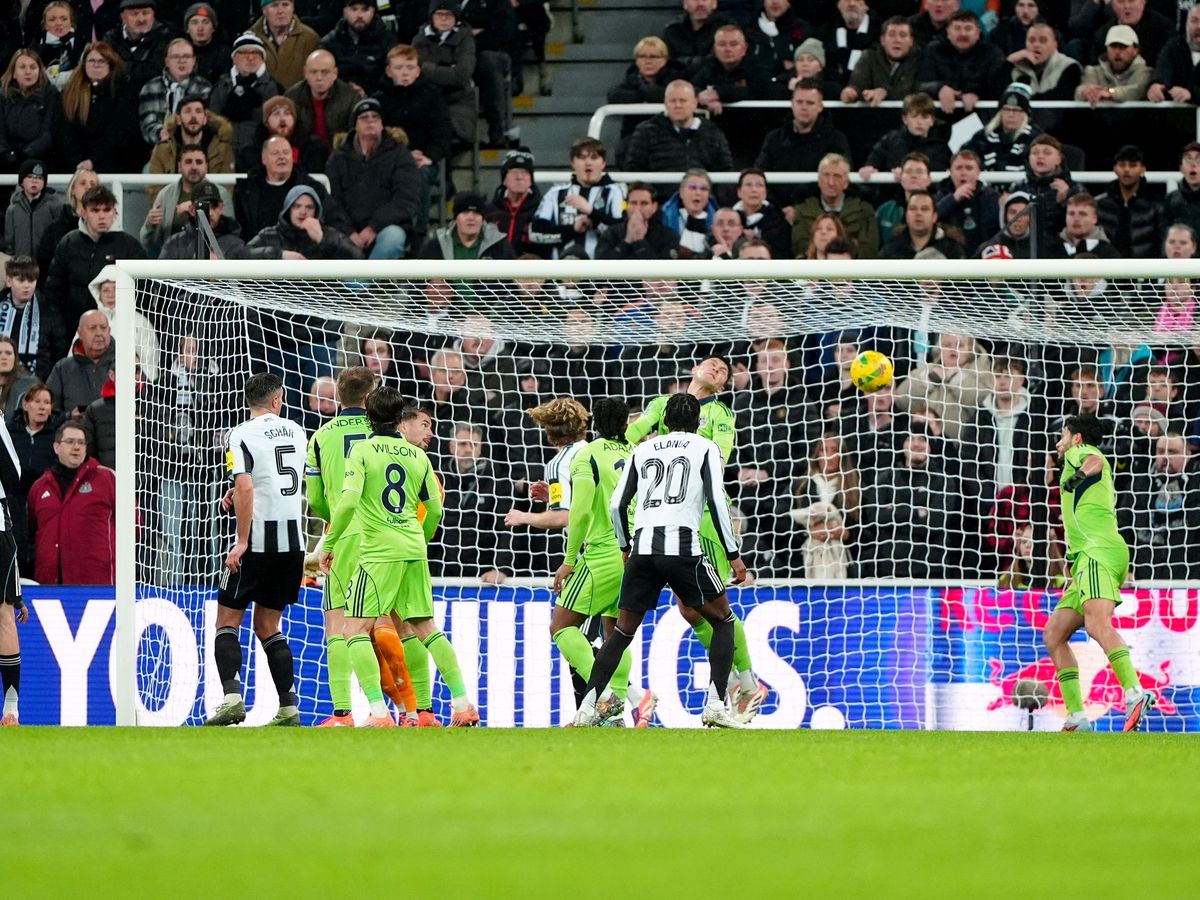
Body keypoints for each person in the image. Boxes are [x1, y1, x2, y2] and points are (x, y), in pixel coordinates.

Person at [574, 392, 747, 729]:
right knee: (723, 620)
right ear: (698, 423)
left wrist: (625, 546)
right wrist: (733, 554)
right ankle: (715, 705)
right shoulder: (706, 448)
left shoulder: (643, 448)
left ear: (665, 421)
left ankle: (587, 708)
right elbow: (716, 500)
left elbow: (617, 504)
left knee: (622, 631)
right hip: (682, 544)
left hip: (643, 545)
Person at [319, 385, 481, 727]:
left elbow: (347, 503)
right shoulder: (418, 457)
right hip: (413, 549)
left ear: (368, 416)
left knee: (354, 630)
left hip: (378, 552)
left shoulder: (362, 452)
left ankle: (379, 713)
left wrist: (330, 543)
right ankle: (462, 704)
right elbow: (435, 509)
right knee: (426, 628)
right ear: (398, 420)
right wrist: (419, 540)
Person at [626, 355, 767, 723]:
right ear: (693, 370)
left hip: (704, 518)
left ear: (722, 387)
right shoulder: (661, 406)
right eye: (712, 365)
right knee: (689, 607)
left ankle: (748, 682)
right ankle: (739, 680)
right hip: (666, 518)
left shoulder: (721, 415)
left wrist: (669, 445)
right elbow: (627, 440)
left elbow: (717, 461)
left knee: (714, 604)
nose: (717, 370)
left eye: (724, 372)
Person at [1042, 413, 1157, 732]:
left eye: (1063, 435)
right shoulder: (1072, 457)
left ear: (1077, 438)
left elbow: (1092, 462)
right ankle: (1078, 717)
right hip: (1088, 559)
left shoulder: (1082, 453)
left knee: (1096, 623)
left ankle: (1134, 692)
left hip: (1097, 552)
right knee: (1054, 634)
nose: (1058, 442)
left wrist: (1074, 478)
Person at [203, 373, 306, 726]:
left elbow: (246, 487)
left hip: (258, 543)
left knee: (227, 619)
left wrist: (241, 540)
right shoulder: (297, 430)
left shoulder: (240, 434)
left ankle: (232, 697)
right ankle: (288, 706)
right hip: (292, 544)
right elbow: (275, 481)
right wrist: (242, 491)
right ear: (278, 400)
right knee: (268, 623)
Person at [550, 397, 658, 727]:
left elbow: (579, 513)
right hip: (637, 554)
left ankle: (608, 696)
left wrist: (569, 560)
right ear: (626, 424)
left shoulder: (587, 456)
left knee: (562, 626)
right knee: (615, 633)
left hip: (602, 554)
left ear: (594, 421)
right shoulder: (634, 453)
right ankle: (616, 713)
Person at [304, 365, 381, 726]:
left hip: (343, 536)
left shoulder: (320, 437)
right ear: (369, 398)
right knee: (389, 624)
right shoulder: (382, 433)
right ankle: (413, 711)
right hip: (384, 535)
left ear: (338, 396)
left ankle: (343, 713)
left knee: (337, 624)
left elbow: (315, 498)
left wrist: (335, 516)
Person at [44, 185, 145, 357]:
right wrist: (61, 336)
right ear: (83, 211)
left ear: (115, 212)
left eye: (106, 210)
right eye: (95, 210)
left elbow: (144, 293)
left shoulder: (129, 247)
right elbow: (54, 294)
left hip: (119, 338)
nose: (102, 216)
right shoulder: (68, 244)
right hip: (70, 335)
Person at [325, 97, 419, 260]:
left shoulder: (400, 155)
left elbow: (405, 200)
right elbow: (333, 202)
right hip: (347, 230)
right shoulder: (338, 158)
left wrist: (374, 227)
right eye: (364, 117)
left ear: (382, 124)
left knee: (393, 238)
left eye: (375, 117)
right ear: (355, 125)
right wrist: (350, 232)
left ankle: (363, 284)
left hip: (387, 228)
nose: (370, 121)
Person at [374, 44, 452, 234]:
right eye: (399, 68)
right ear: (389, 71)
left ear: (418, 71)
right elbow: (374, 136)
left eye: (410, 67)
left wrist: (429, 157)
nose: (405, 73)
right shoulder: (378, 99)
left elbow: (443, 134)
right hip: (387, 159)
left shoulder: (432, 95)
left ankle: (418, 233)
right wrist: (402, 157)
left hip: (423, 160)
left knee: (419, 175)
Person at [27, 421, 116, 585]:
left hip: (99, 585)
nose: (77, 447)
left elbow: (135, 525)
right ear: (56, 447)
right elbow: (33, 530)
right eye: (70, 441)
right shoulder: (39, 487)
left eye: (81, 442)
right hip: (50, 588)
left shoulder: (107, 479)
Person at [529, 137, 625, 260]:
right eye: (582, 157)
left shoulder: (616, 191)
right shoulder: (556, 193)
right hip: (561, 274)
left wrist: (592, 212)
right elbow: (535, 232)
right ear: (573, 163)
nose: (588, 162)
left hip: (602, 274)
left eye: (594, 157)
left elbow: (623, 232)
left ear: (603, 163)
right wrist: (572, 229)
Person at [60, 41, 144, 172]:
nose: (96, 65)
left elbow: (120, 131)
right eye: (91, 61)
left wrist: (94, 160)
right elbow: (65, 132)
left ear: (111, 65)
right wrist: (78, 162)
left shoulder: (124, 91)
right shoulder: (70, 93)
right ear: (84, 65)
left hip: (115, 164)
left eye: (101, 61)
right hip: (76, 165)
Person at [621, 80, 733, 172]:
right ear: (665, 103)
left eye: (683, 101)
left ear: (694, 103)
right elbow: (633, 169)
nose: (678, 105)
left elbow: (725, 170)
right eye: (672, 101)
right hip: (660, 196)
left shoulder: (712, 132)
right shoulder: (646, 131)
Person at [142, 144, 235, 254]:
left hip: (210, 258)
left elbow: (231, 233)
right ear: (180, 166)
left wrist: (196, 210)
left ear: (206, 166)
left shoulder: (221, 194)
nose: (194, 167)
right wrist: (150, 225)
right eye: (188, 162)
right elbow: (147, 243)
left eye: (199, 162)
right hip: (172, 258)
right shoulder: (165, 194)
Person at [234, 134, 332, 238]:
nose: (282, 157)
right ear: (263, 159)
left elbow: (334, 217)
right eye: (275, 153)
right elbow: (239, 233)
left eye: (286, 152)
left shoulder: (313, 187)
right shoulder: (245, 191)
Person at [207, 32, 283, 162]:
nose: (250, 58)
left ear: (262, 58)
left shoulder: (272, 87)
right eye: (244, 53)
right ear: (234, 58)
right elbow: (213, 119)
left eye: (255, 53)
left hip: (257, 153)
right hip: (224, 152)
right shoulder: (222, 86)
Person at [412, 0, 478, 146]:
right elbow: (413, 73)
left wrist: (428, 69)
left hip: (458, 100)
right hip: (427, 99)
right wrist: (449, 70)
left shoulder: (465, 38)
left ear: (456, 18)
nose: (443, 18)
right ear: (431, 16)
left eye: (448, 15)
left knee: (446, 132)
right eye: (439, 14)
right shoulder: (419, 39)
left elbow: (462, 75)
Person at [917, 9, 1007, 114]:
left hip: (980, 117)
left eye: (968, 28)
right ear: (948, 32)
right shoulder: (933, 50)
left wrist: (978, 94)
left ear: (978, 32)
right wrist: (939, 88)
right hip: (938, 116)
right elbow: (919, 85)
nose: (963, 33)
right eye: (957, 28)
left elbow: (1000, 87)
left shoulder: (993, 53)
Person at [7, 382, 54, 575]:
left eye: (47, 402)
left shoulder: (56, 434)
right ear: (26, 405)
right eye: (37, 401)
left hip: (44, 498)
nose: (43, 406)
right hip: (13, 499)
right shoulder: (9, 432)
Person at [791, 153, 878, 259]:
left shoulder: (863, 210)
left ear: (846, 183)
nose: (831, 182)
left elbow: (868, 250)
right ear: (819, 180)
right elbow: (799, 244)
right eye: (826, 175)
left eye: (837, 176)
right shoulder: (803, 209)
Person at [245, 182, 360, 259]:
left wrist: (322, 239)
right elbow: (242, 254)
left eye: (309, 207)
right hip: (278, 294)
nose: (303, 212)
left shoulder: (328, 234)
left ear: (316, 211)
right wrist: (279, 255)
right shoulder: (269, 235)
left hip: (320, 294)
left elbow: (358, 257)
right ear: (288, 210)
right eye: (297, 206)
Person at [146, 96, 236, 192]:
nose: (193, 116)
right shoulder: (162, 149)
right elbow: (154, 189)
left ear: (205, 119)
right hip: (172, 204)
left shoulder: (222, 149)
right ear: (178, 119)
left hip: (210, 204)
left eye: (198, 111)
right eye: (188, 111)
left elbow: (227, 189)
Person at [607, 36, 687, 141]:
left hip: (670, 134)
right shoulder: (632, 78)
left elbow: (666, 95)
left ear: (665, 59)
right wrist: (644, 93)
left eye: (653, 56)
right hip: (634, 134)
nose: (648, 61)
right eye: (642, 56)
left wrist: (644, 93)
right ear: (636, 61)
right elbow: (614, 95)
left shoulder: (676, 77)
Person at [858, 92, 950, 182]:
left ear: (932, 121)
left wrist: (907, 173)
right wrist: (868, 168)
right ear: (905, 119)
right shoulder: (890, 140)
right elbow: (873, 162)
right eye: (914, 117)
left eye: (924, 117)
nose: (919, 122)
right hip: (892, 194)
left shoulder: (941, 147)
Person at [137, 36, 213, 145]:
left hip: (194, 148)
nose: (181, 61)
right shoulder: (150, 87)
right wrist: (163, 134)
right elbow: (148, 125)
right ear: (167, 61)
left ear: (194, 61)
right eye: (176, 57)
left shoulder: (204, 87)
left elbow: (205, 123)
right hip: (159, 148)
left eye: (186, 56)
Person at [0, 49, 62, 176]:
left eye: (33, 67)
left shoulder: (51, 95)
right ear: (13, 73)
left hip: (40, 161)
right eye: (22, 67)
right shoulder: (2, 96)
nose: (28, 72)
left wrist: (27, 154)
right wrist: (7, 154)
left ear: (40, 71)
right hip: (5, 162)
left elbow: (48, 132)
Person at [1094, 144, 1161, 259]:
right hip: (1108, 271)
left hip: (1144, 271)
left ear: (1142, 169)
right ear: (1114, 169)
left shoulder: (1155, 205)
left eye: (1133, 165)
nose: (1126, 170)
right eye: (1122, 165)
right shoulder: (1101, 204)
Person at [284, 48, 357, 154]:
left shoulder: (350, 97)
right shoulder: (292, 97)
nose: (319, 77)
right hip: (303, 156)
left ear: (335, 73)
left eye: (325, 72)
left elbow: (354, 136)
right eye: (313, 72)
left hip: (339, 156)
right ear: (305, 73)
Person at [841, 15, 921, 106]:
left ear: (911, 41)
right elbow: (858, 84)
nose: (897, 40)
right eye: (891, 35)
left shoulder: (919, 59)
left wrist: (885, 92)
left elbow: (913, 89)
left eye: (903, 35)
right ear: (882, 40)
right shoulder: (869, 57)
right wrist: (852, 91)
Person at [159, 180, 250, 259]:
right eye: (202, 207)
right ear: (191, 210)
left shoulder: (237, 245)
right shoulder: (174, 243)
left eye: (214, 206)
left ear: (221, 208)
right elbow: (157, 277)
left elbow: (244, 279)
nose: (209, 213)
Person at [0, 256, 56, 381]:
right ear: (9, 281)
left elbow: (57, 351)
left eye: (31, 281)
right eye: (21, 280)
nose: (27, 286)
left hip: (36, 383)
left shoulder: (49, 311)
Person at [965, 81, 1041, 173]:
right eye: (1006, 109)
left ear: (1025, 114)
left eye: (1016, 110)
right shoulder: (983, 136)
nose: (1011, 114)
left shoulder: (1036, 138)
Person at [935, 148, 1000, 256]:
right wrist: (953, 199)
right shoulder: (940, 196)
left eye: (969, 168)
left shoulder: (990, 197)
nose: (963, 173)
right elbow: (930, 218)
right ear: (950, 172)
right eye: (958, 168)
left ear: (978, 172)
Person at [319, 0, 391, 96]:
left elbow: (392, 76)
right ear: (345, 12)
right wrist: (346, 87)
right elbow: (321, 75)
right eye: (354, 9)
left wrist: (368, 91)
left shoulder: (386, 40)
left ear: (373, 11)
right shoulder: (330, 42)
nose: (359, 15)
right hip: (338, 98)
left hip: (377, 100)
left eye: (365, 10)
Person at [417, 190, 515, 260]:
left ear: (483, 218)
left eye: (476, 213)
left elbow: (512, 285)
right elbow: (418, 283)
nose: (471, 218)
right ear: (455, 218)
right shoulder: (436, 245)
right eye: (465, 213)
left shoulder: (499, 245)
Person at [102, 0, 173, 92]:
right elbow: (106, 69)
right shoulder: (111, 38)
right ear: (123, 17)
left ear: (153, 15)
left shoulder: (165, 37)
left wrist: (120, 66)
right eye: (134, 14)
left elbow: (155, 71)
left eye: (145, 13)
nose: (141, 19)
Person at [596, 181, 678, 260]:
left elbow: (663, 271)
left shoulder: (668, 236)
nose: (637, 208)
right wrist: (627, 241)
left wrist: (640, 242)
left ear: (654, 207)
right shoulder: (611, 233)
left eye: (644, 203)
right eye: (633, 203)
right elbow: (601, 268)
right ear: (627, 206)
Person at [250, 0, 321, 90]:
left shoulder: (310, 39)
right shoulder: (250, 38)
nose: (280, 11)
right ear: (264, 10)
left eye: (285, 5)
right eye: (274, 5)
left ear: (293, 8)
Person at [3, 160, 64, 261]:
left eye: (39, 178)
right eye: (29, 177)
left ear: (44, 183)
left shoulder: (54, 206)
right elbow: (9, 242)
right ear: (22, 181)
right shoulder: (13, 209)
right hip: (21, 266)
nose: (34, 181)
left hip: (46, 265)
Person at [1075, 24, 1150, 107]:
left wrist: (1110, 92)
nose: (1117, 52)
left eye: (1123, 47)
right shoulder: (1093, 71)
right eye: (1113, 46)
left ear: (1135, 50)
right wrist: (1086, 92)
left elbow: (1138, 90)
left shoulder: (1144, 72)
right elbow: (1079, 91)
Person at [485, 149, 542, 257]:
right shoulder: (490, 211)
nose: (519, 177)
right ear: (504, 180)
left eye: (524, 172)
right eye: (514, 172)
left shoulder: (542, 211)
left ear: (531, 180)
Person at [1007, 19, 1080, 100]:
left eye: (1043, 40)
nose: (1036, 45)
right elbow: (996, 94)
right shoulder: (1016, 66)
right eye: (1031, 40)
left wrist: (1021, 101)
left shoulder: (1070, 66)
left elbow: (1057, 98)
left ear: (1055, 45)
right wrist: (1009, 62)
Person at [663, 0, 730, 77]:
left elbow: (716, 63)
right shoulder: (673, 30)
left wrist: (682, 63)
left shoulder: (726, 30)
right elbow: (667, 63)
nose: (700, 4)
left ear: (714, 3)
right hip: (679, 82)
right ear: (685, 3)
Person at [1148, 6, 1200, 105]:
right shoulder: (1174, 47)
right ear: (1186, 24)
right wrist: (1156, 86)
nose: (1199, 26)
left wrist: (1192, 94)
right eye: (1194, 21)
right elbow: (1162, 72)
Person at [33, 1, 89, 89]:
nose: (58, 23)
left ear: (71, 21)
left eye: (64, 19)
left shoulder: (85, 48)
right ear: (45, 25)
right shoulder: (35, 50)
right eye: (52, 19)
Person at [1055, 192, 1120, 259]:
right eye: (1071, 214)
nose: (1076, 219)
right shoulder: (1049, 248)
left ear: (1094, 218)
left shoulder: (1110, 254)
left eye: (1082, 214)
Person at [184, 3, 230, 84]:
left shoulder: (225, 54)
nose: (200, 28)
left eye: (205, 22)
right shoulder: (179, 54)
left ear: (213, 28)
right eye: (194, 23)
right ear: (187, 29)